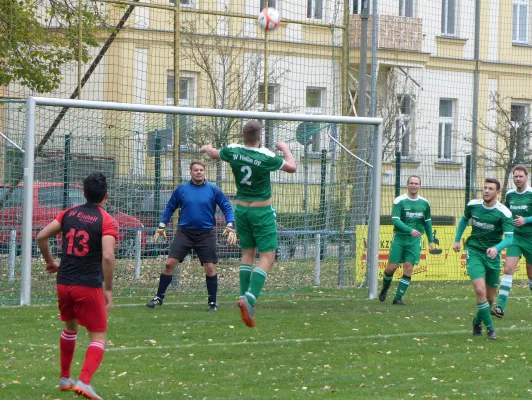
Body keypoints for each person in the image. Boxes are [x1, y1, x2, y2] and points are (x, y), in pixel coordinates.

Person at [200, 120, 296, 328]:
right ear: (260, 136)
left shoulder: (232, 151)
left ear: (243, 136)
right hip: (261, 212)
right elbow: (291, 167)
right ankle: (249, 299)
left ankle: (242, 296)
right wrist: (286, 149)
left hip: (241, 210)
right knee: (268, 256)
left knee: (247, 254)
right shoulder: (266, 156)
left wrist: (207, 148)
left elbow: (215, 154)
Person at [37, 172, 118, 400]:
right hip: (88, 284)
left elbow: (42, 236)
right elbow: (108, 257)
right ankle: (84, 382)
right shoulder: (106, 220)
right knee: (98, 338)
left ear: (83, 193)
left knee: (70, 329)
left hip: (64, 282)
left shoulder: (69, 213)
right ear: (106, 196)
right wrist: (108, 289)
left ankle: (65, 378)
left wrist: (51, 263)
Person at [145, 160, 235, 312]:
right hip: (184, 233)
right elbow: (170, 207)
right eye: (195, 170)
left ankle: (212, 303)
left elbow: (226, 206)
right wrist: (162, 225)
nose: (198, 172)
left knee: (210, 267)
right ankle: (159, 297)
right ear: (191, 172)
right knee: (169, 264)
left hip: (206, 234)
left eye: (201, 170)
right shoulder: (182, 189)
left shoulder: (213, 189)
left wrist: (230, 224)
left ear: (204, 172)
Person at [453, 178, 514, 340]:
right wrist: (457, 239)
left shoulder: (504, 213)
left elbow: (509, 239)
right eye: (485, 188)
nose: (486, 191)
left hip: (492, 256)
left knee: (490, 298)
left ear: (497, 193)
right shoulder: (473, 205)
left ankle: (476, 321)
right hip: (474, 252)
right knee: (479, 290)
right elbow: (464, 220)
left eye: (490, 189)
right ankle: (491, 329)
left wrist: (496, 248)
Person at [379, 175, 434, 305]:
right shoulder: (400, 201)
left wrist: (431, 240)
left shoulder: (424, 203)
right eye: (411, 183)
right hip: (399, 238)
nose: (414, 185)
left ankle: (398, 298)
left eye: (416, 183)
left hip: (414, 241)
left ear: (419, 186)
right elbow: (395, 220)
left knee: (408, 267)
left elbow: (427, 222)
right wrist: (409, 230)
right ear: (407, 185)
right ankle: (385, 288)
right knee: (391, 268)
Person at [492, 165, 532, 318]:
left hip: (531, 238)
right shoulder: (510, 195)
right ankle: (500, 307)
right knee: (508, 269)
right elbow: (505, 213)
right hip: (515, 238)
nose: (518, 179)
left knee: (531, 275)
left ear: (526, 177)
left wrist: (526, 220)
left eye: (521, 176)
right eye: (515, 176)